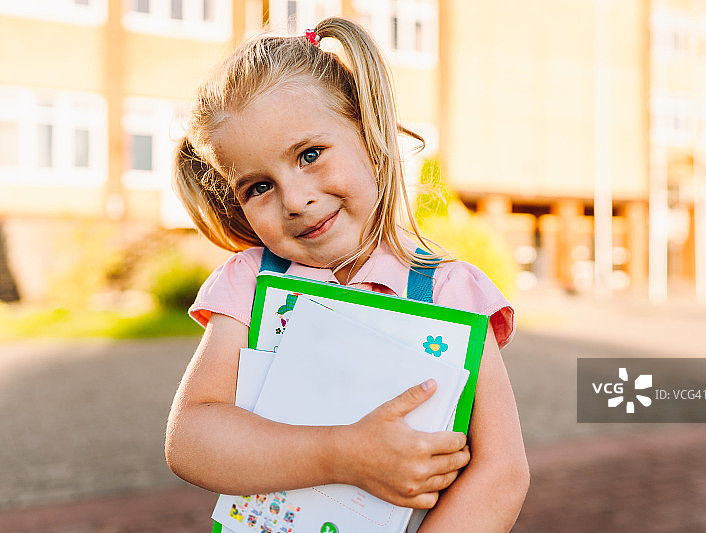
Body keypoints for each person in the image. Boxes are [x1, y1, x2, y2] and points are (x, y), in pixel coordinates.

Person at [165, 17, 529, 532]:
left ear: (368, 130)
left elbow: (501, 472)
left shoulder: (451, 292)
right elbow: (191, 439)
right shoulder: (247, 285)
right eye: (257, 188)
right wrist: (342, 455)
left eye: (309, 155)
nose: (295, 200)